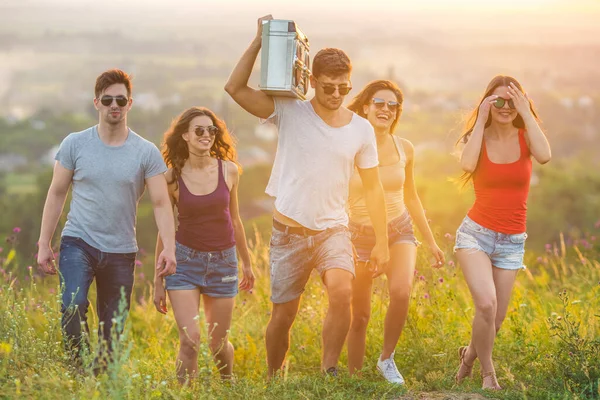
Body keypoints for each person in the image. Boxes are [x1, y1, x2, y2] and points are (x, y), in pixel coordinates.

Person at [224, 15, 390, 377]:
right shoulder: (289, 111)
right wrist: (257, 42)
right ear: (312, 81)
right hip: (289, 232)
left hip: (334, 229)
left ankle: (329, 370)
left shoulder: (361, 130)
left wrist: (382, 241)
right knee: (283, 315)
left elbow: (374, 187)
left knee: (342, 292)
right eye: (328, 87)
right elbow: (234, 89)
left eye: (343, 89)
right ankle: (273, 376)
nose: (335, 95)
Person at [36, 69, 177, 372]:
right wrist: (44, 243)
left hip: (121, 250)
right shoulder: (75, 144)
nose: (115, 105)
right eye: (108, 99)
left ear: (130, 104)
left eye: (121, 100)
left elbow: (162, 202)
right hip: (78, 242)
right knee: (72, 307)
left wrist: (170, 248)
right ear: (97, 103)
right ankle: (78, 369)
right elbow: (57, 193)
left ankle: (99, 379)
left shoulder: (146, 152)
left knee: (112, 331)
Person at [454, 76, 551, 390]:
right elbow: (468, 165)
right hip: (475, 235)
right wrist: (481, 119)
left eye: (512, 101)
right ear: (487, 103)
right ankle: (488, 375)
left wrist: (526, 110)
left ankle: (468, 358)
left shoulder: (526, 137)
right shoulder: (477, 137)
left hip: (511, 242)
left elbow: (546, 155)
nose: (505, 107)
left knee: (495, 319)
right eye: (498, 101)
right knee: (485, 304)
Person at [346, 80, 445, 384]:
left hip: (399, 229)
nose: (385, 110)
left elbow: (411, 196)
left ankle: (386, 359)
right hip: (359, 236)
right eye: (379, 103)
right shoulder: (348, 146)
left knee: (401, 292)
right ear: (365, 107)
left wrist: (430, 241)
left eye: (392, 105)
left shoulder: (405, 148)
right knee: (360, 314)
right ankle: (354, 375)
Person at [153, 106, 255, 382]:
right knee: (191, 340)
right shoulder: (171, 177)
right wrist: (157, 280)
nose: (206, 135)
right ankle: (184, 393)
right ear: (185, 135)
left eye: (211, 130)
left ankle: (227, 383)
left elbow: (235, 220)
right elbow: (165, 231)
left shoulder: (229, 171)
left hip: (224, 262)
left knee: (217, 344)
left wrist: (246, 263)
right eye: (199, 130)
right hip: (184, 263)